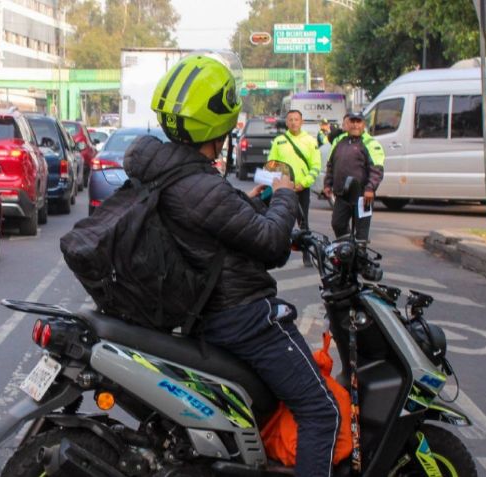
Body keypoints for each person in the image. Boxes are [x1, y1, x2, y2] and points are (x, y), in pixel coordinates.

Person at [126, 54, 339, 477]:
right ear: (219, 121)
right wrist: (283, 194)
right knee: (320, 411)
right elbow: (271, 245)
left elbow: (212, 221)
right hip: (242, 315)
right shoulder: (197, 183)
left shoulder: (172, 173)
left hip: (206, 313)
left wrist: (251, 201)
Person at [266, 109, 321, 266]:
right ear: (286, 122)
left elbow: (316, 166)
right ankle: (280, 254)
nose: (293, 122)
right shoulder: (279, 141)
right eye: (290, 120)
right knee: (281, 220)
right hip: (284, 189)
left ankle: (307, 255)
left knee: (303, 222)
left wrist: (304, 183)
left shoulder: (310, 141)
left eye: (296, 119)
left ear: (301, 122)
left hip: (302, 188)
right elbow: (271, 164)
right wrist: (284, 181)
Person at [323, 112, 385, 242]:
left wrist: (370, 189)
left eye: (359, 122)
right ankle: (347, 251)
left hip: (363, 197)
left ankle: (359, 259)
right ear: (348, 123)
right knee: (337, 224)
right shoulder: (339, 141)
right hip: (342, 195)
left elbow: (377, 170)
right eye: (353, 122)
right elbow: (331, 164)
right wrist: (327, 184)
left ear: (364, 124)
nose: (355, 125)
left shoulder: (371, 143)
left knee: (361, 233)